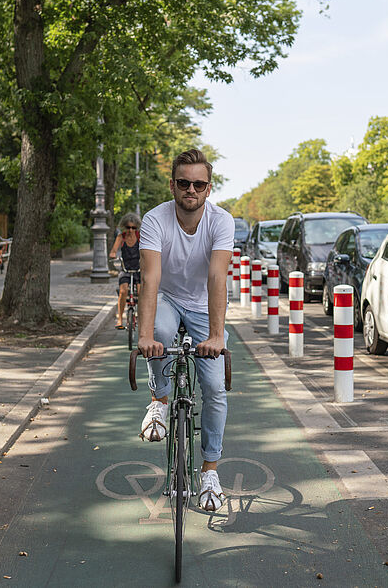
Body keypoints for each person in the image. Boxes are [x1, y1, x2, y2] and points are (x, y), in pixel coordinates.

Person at [136, 148, 235, 513]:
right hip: (167, 296)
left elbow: (216, 276)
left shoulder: (221, 221)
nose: (190, 189)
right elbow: (150, 277)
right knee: (158, 331)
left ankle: (209, 471)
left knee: (214, 387)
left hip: (202, 304)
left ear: (208, 189)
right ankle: (159, 400)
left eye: (198, 184)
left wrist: (216, 336)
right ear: (173, 185)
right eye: (183, 182)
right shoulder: (154, 219)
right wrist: (145, 336)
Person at [109, 212, 142, 329]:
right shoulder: (121, 237)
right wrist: (113, 254)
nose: (131, 230)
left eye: (133, 228)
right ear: (124, 226)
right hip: (125, 268)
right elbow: (113, 251)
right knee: (123, 291)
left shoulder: (140, 236)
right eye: (128, 227)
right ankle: (119, 319)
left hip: (138, 268)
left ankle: (142, 318)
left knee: (141, 292)